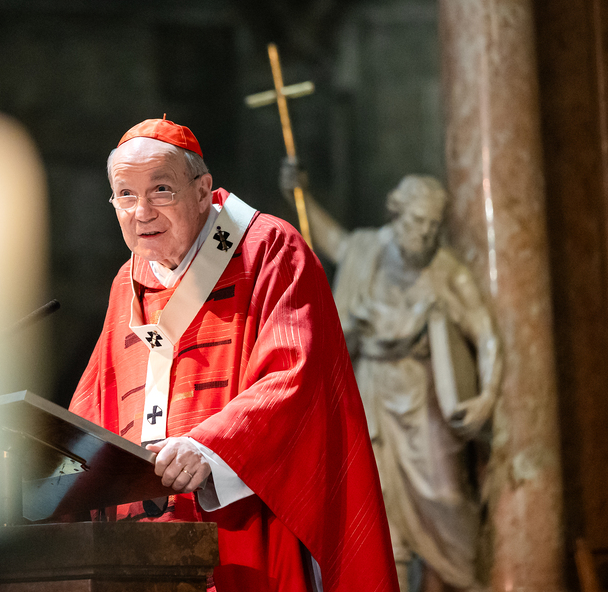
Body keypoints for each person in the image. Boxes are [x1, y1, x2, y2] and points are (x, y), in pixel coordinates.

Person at [69, 118, 398, 592]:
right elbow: (96, 403)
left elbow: (295, 377)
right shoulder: (128, 282)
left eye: (161, 190)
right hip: (138, 551)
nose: (141, 212)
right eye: (125, 195)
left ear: (203, 191)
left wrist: (209, 447)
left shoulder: (268, 249)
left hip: (243, 532)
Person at [279, 163, 502, 592]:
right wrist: (298, 196)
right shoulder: (368, 250)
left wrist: (487, 397)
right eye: (417, 222)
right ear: (397, 214)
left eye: (433, 226)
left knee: (446, 499)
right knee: (378, 508)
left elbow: (486, 334)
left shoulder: (447, 271)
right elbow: (334, 241)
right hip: (372, 394)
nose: (425, 234)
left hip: (425, 401)